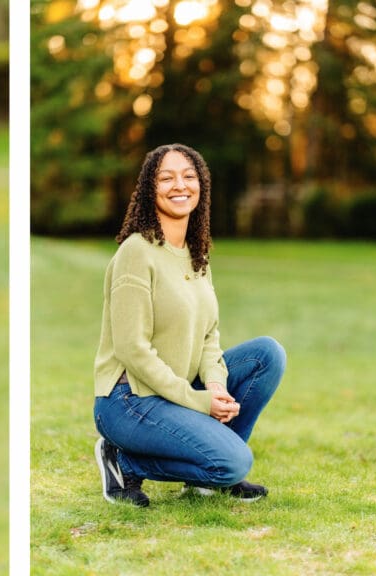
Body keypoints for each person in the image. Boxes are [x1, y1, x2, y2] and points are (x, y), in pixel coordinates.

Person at [92, 143, 285, 508]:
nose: (180, 185)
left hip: (174, 392)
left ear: (202, 186)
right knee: (235, 461)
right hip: (129, 399)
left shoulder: (197, 254)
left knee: (267, 354)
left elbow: (210, 337)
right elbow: (131, 349)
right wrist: (198, 401)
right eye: (167, 178)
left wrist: (216, 387)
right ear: (151, 189)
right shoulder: (137, 252)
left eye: (189, 176)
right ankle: (122, 459)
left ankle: (207, 479)